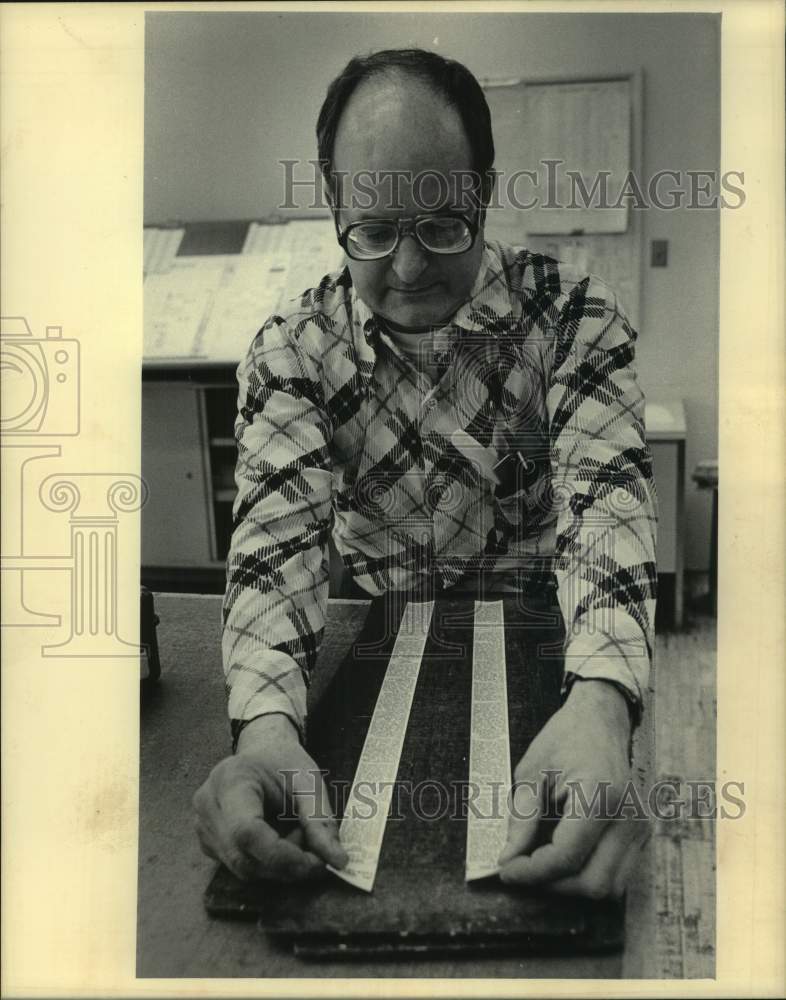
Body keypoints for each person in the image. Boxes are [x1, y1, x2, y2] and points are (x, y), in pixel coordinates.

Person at [193, 48, 658, 899]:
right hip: (373, 652)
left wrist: (602, 702)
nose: (408, 269)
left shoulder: (575, 323)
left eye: (444, 224)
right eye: (372, 231)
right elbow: (275, 548)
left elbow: (608, 515)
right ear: (335, 208)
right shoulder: (295, 351)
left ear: (484, 191)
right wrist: (263, 728)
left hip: (551, 653)